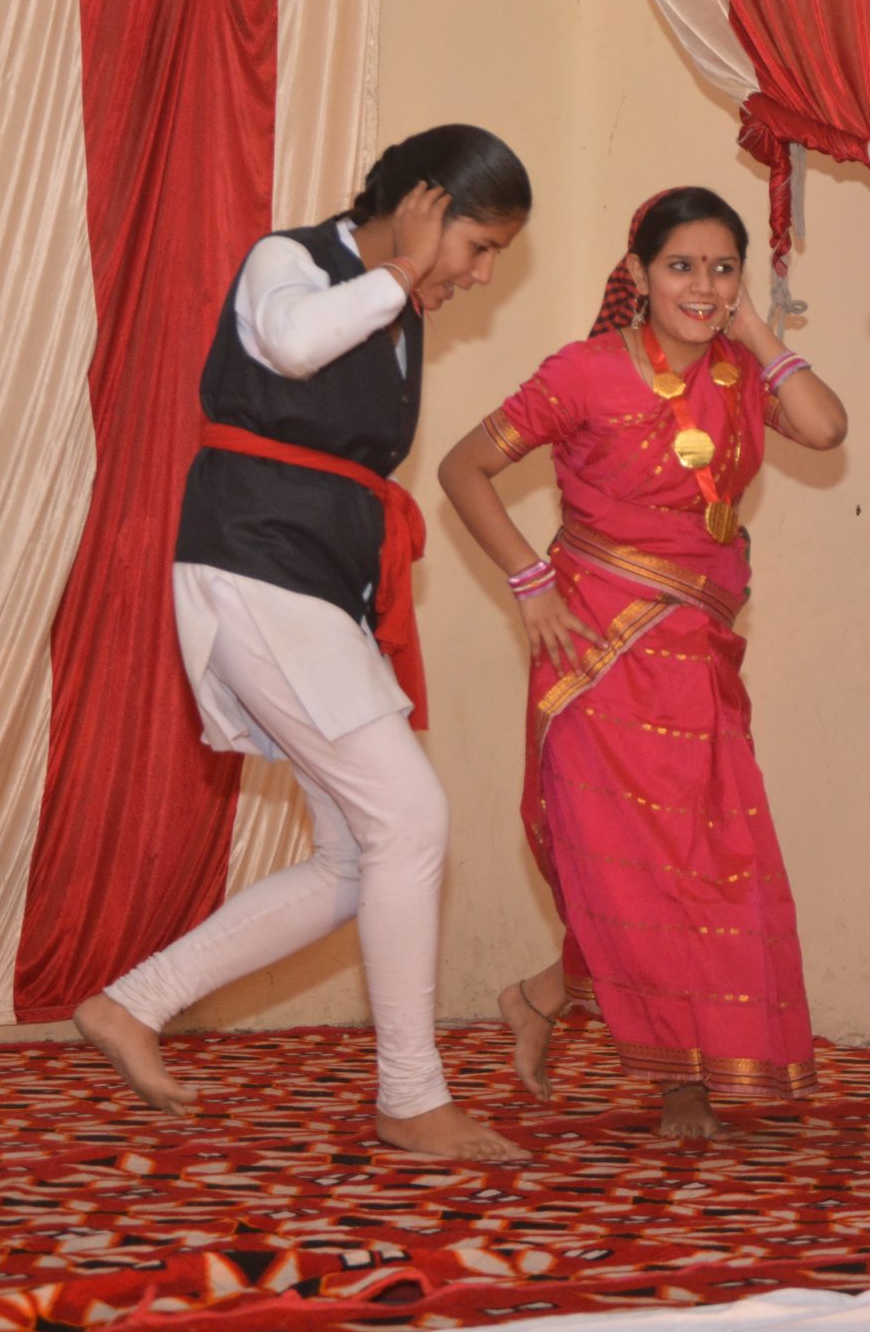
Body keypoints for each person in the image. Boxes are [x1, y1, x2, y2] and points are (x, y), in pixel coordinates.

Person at [70, 125, 532, 1162]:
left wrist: (403, 285)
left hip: (319, 590)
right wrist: (401, 272)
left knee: (361, 855)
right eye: (479, 247)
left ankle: (134, 1003)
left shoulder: (398, 312)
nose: (480, 275)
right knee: (410, 819)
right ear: (424, 207)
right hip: (256, 568)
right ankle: (410, 1096)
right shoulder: (292, 259)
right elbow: (289, 342)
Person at [437, 187, 847, 1140]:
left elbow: (826, 428)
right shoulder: (582, 373)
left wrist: (755, 329)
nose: (703, 286)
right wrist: (530, 583)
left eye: (722, 268)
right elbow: (463, 468)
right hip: (595, 647)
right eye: (681, 267)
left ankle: (542, 996)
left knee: (711, 862)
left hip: (697, 649)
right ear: (637, 274)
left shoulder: (742, 376)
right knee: (638, 873)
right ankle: (680, 1085)